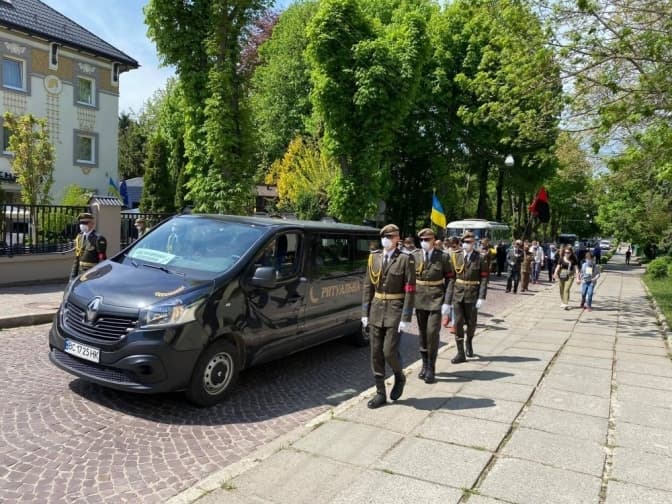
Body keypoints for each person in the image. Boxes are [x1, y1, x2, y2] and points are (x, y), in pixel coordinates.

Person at [362, 224, 416, 409]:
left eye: (390, 236)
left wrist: (406, 316)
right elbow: (368, 286)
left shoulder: (405, 259)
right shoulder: (374, 257)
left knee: (389, 352)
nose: (386, 240)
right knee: (375, 353)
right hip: (376, 310)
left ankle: (399, 375)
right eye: (384, 237)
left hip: (395, 310)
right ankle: (380, 393)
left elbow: (410, 289)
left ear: (397, 238)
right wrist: (365, 313)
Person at [413, 228, 454, 384]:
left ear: (433, 240)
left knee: (432, 333)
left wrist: (447, 302)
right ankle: (424, 365)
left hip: (436, 300)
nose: (424, 242)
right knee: (423, 334)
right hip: (419, 300)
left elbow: (450, 279)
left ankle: (431, 367)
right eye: (422, 240)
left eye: (427, 239)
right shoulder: (415, 256)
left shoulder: (443, 257)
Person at [445, 231, 488, 363]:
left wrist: (482, 296)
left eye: (469, 242)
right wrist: (447, 300)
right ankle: (460, 353)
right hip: (458, 294)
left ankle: (469, 341)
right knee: (457, 323)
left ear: (474, 243)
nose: (466, 244)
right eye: (464, 242)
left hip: (472, 294)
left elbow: (484, 278)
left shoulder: (480, 257)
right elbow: (451, 279)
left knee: (471, 323)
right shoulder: (455, 256)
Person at [70, 212, 107, 279]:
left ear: (92, 224)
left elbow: (102, 259)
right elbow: (77, 258)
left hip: (92, 272)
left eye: (85, 223)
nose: (82, 225)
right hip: (80, 272)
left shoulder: (98, 238)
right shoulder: (79, 237)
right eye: (81, 223)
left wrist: (99, 276)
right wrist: (73, 276)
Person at [554, 245, 580, 309]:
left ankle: (565, 303)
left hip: (570, 275)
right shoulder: (561, 258)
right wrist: (555, 273)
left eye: (568, 252)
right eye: (565, 252)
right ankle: (563, 301)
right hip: (562, 274)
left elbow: (576, 269)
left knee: (566, 289)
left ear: (571, 253)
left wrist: (578, 278)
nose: (566, 254)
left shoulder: (573, 259)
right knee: (561, 289)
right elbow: (558, 266)